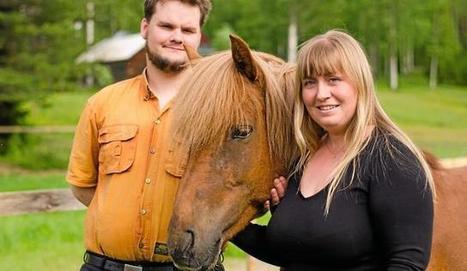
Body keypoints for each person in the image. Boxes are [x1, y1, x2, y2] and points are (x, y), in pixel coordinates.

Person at [232, 30, 435, 270]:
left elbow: (407, 263)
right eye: (310, 83)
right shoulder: (302, 157)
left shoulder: (391, 159)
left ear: (360, 83)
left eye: (333, 79)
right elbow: (295, 253)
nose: (321, 94)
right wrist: (221, 223)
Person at [67, 1, 212, 270]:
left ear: (199, 36)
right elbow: (82, 185)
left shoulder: (217, 109)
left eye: (188, 30)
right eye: (166, 26)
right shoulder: (102, 104)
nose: (177, 37)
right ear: (145, 27)